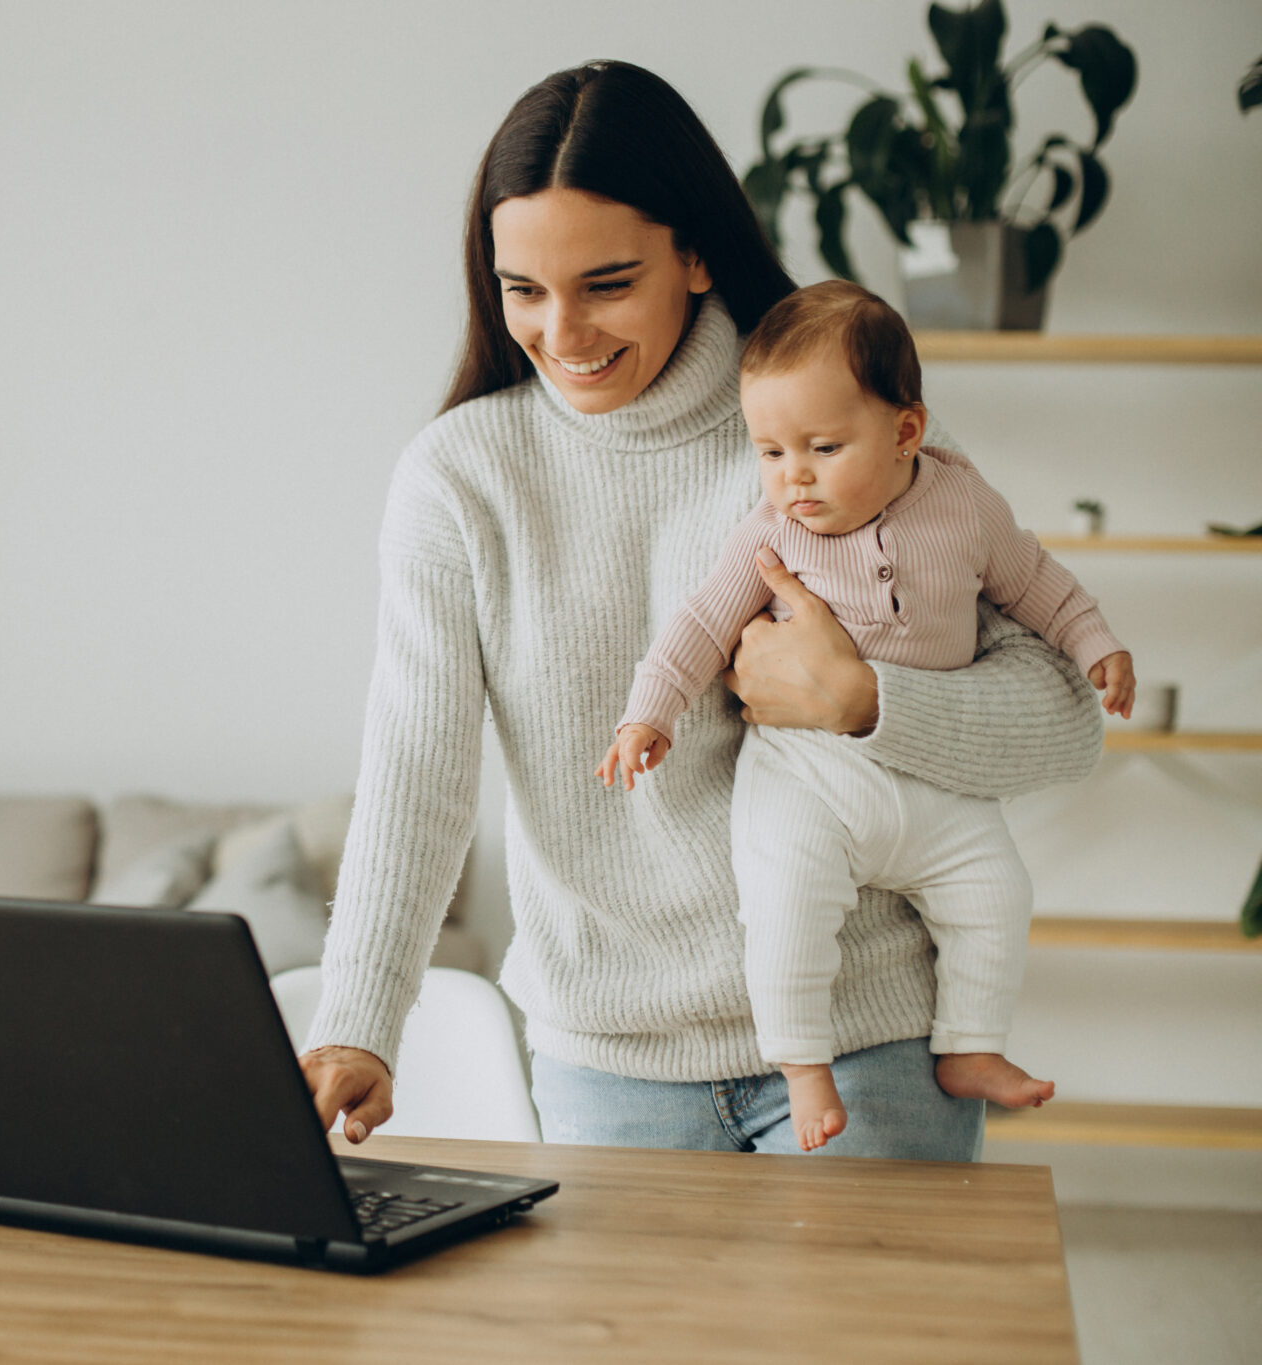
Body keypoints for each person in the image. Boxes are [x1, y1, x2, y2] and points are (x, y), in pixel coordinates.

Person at [297, 61, 1102, 1160]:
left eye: (606, 282)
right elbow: (414, 774)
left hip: (862, 1041)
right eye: (521, 290)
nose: (562, 333)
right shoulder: (458, 479)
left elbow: (1065, 719)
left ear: (693, 254)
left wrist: (864, 700)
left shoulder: (832, 431)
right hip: (603, 1061)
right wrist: (357, 1022)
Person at [597, 280, 1133, 1151]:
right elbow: (698, 624)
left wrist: (1095, 641)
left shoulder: (965, 506)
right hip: (807, 775)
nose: (792, 476)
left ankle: (970, 1045)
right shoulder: (772, 530)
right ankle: (803, 1065)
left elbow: (1038, 584)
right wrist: (647, 713)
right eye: (769, 451)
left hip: (932, 774)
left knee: (997, 891)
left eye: (821, 447)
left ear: (906, 432)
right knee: (784, 905)